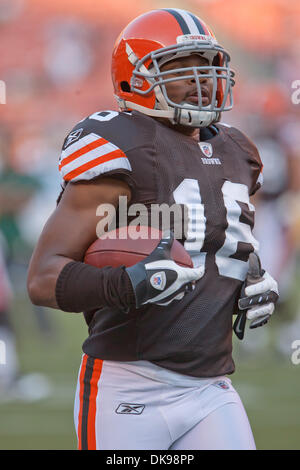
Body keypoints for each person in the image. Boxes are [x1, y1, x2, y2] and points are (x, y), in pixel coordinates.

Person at [27, 9, 279, 450]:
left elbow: (215, 246)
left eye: (208, 66)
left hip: (210, 385)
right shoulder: (121, 145)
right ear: (135, 80)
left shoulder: (238, 150)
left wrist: (250, 279)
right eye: (180, 67)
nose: (201, 80)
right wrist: (129, 284)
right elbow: (43, 278)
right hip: (127, 386)